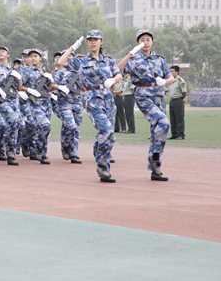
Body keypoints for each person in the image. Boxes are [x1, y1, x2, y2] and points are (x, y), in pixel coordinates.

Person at [57, 30, 122, 183]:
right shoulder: (81, 61)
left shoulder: (108, 60)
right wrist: (73, 47)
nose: (93, 42)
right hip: (92, 99)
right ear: (87, 43)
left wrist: (113, 80)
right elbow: (60, 62)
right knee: (107, 131)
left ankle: (98, 146)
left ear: (101, 42)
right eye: (90, 40)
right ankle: (103, 167)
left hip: (108, 99)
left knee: (108, 134)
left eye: (96, 39)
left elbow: (119, 74)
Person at [118, 29, 174, 181]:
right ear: (138, 43)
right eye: (142, 40)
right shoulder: (134, 60)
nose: (145, 42)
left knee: (157, 131)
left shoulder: (159, 60)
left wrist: (164, 81)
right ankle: (154, 157)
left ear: (152, 42)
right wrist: (130, 53)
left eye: (148, 39)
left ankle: (155, 169)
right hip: (143, 96)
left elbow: (171, 78)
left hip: (159, 97)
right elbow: (119, 69)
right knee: (164, 123)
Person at [167, 65, 187, 140]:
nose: (171, 73)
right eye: (170, 71)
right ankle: (174, 134)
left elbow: (184, 92)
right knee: (173, 119)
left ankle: (181, 134)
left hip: (178, 100)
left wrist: (181, 98)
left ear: (177, 72)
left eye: (172, 71)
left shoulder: (180, 81)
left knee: (179, 119)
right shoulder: (171, 80)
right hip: (172, 100)